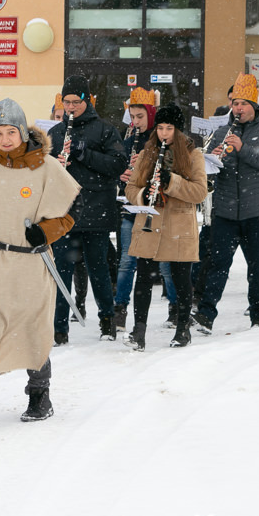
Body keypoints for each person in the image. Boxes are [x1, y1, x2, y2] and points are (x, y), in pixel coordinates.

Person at [0, 98, 81, 424]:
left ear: (23, 132)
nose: (5, 139)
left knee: (31, 331)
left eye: (12, 132)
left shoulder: (47, 167)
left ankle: (40, 396)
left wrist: (46, 231)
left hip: (31, 264)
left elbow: (69, 214)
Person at [190, 73, 259, 333]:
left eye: (243, 103)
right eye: (235, 104)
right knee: (218, 264)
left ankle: (258, 316)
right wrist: (213, 159)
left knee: (256, 266)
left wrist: (243, 149)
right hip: (226, 209)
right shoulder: (222, 131)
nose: (238, 108)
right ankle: (207, 315)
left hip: (257, 211)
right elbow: (213, 170)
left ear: (254, 105)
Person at [48, 74, 127, 343]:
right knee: (62, 273)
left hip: (96, 210)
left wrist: (83, 154)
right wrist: (55, 165)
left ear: (87, 100)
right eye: (66, 102)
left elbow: (117, 165)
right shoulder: (56, 133)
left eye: (75, 102)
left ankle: (107, 322)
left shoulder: (105, 129)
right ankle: (59, 329)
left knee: (99, 271)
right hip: (65, 213)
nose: (70, 107)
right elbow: (42, 170)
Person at [123, 104, 208, 349]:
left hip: (178, 224)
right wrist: (142, 194)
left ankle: (183, 328)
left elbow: (200, 192)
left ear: (178, 130)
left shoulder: (193, 154)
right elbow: (130, 188)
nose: (163, 133)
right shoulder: (148, 152)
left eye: (169, 128)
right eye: (160, 128)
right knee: (144, 279)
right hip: (150, 222)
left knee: (181, 279)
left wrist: (172, 182)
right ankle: (138, 332)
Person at [113, 87, 158, 332]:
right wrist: (123, 175)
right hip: (130, 207)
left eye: (140, 116)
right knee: (126, 262)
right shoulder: (129, 141)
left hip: (153, 209)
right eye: (132, 116)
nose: (135, 121)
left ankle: (174, 308)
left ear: (150, 115)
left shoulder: (160, 139)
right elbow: (118, 177)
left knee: (161, 265)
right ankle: (120, 308)